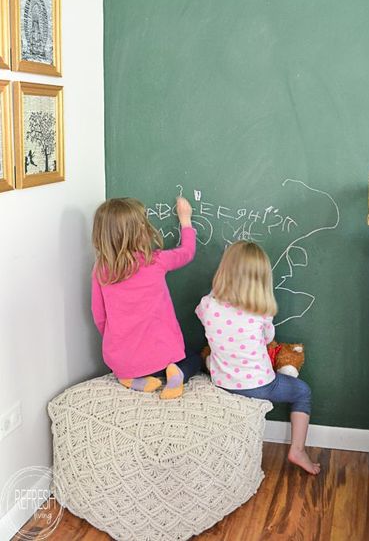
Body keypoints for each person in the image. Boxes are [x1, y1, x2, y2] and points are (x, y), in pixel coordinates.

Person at [195, 241, 320, 475]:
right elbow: (267, 339)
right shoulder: (261, 311)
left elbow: (207, 306)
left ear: (224, 271)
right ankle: (298, 450)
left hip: (222, 382)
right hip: (260, 385)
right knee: (302, 392)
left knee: (210, 355)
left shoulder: (207, 305)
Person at [91, 195, 201, 399]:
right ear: (141, 232)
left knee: (124, 368)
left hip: (123, 360)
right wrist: (185, 220)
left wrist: (115, 341)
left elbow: (99, 316)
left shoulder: (101, 271)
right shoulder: (155, 261)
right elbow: (187, 252)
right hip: (163, 356)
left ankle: (129, 379)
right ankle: (178, 374)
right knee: (194, 358)